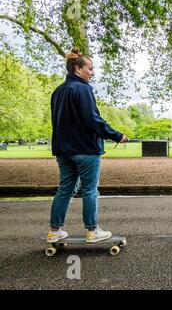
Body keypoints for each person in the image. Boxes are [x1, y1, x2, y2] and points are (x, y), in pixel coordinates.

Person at [47, 47, 129, 243]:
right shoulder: (83, 89)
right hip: (85, 149)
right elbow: (92, 120)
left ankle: (54, 230)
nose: (93, 73)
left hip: (63, 150)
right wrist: (116, 135)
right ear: (77, 69)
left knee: (65, 189)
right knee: (90, 190)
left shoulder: (58, 91)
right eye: (90, 68)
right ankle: (92, 231)